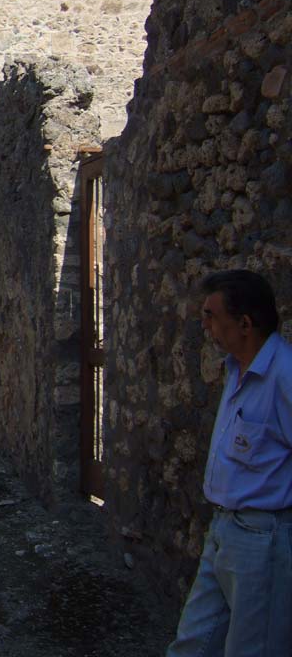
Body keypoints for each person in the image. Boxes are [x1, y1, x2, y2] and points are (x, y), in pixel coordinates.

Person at [167, 269, 292, 656]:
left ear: (245, 324)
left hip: (261, 540)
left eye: (211, 315)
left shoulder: (284, 375)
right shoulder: (236, 368)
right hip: (223, 530)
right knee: (192, 643)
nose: (204, 325)